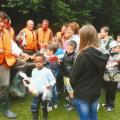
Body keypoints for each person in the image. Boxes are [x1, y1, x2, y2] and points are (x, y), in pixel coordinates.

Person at [70, 24, 109, 120]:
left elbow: (73, 79)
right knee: (93, 116)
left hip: (82, 93)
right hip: (95, 91)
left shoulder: (82, 56)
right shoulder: (102, 54)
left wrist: (76, 88)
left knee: (85, 118)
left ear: (83, 38)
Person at [0, 11, 29, 119]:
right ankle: (5, 105)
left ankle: (12, 90)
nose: (2, 24)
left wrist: (21, 53)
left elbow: (12, 46)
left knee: (24, 65)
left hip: (7, 60)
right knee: (4, 85)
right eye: (0, 21)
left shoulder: (6, 32)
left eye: (4, 22)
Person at [30, 53, 56, 120]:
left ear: (43, 62)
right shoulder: (33, 71)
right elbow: (33, 80)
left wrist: (50, 85)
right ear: (34, 62)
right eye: (36, 62)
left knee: (44, 107)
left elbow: (53, 80)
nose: (38, 64)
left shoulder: (47, 71)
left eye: (40, 62)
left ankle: (45, 117)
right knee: (34, 106)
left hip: (45, 93)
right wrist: (31, 86)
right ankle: (35, 117)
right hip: (36, 93)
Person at [103, 40, 120, 112]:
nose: (119, 48)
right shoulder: (106, 53)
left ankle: (111, 105)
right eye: (117, 47)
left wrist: (117, 64)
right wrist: (108, 65)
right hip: (107, 74)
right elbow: (103, 64)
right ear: (112, 48)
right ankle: (107, 103)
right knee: (107, 89)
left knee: (112, 90)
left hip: (115, 74)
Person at [61, 40, 77, 111]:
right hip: (65, 75)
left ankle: (73, 105)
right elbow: (64, 62)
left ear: (74, 49)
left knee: (71, 92)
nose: (69, 50)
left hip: (70, 76)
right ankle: (70, 103)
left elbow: (75, 67)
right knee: (68, 90)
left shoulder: (75, 56)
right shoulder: (65, 54)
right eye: (68, 48)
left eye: (71, 49)